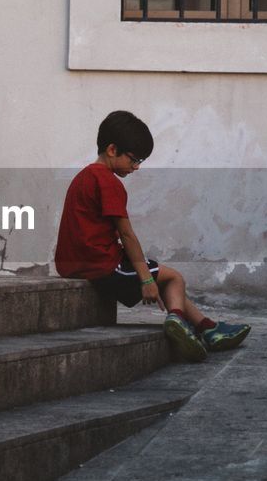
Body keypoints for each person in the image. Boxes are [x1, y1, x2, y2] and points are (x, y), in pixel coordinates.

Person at [54, 110, 251, 361]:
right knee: (174, 278)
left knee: (164, 277)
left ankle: (207, 328)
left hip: (77, 264)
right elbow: (127, 235)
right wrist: (146, 280)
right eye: (134, 160)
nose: (136, 167)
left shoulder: (83, 177)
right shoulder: (108, 182)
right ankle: (179, 323)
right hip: (102, 265)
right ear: (112, 150)